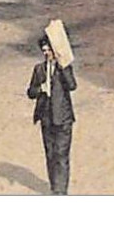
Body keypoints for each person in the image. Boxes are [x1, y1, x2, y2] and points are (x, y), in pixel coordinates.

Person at [26, 32, 77, 195]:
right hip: (46, 117)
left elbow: (72, 85)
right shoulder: (39, 69)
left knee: (61, 154)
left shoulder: (64, 67)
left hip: (63, 118)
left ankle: (60, 191)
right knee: (50, 154)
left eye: (49, 50)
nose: (46, 53)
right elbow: (30, 92)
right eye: (44, 50)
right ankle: (55, 186)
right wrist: (40, 88)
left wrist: (62, 67)